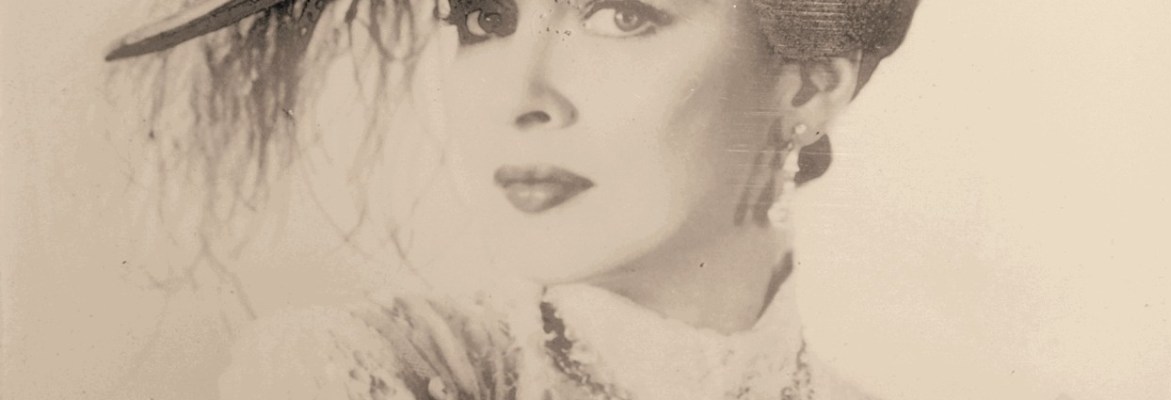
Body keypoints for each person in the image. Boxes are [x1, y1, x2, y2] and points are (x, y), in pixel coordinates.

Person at [106, 0, 918, 398]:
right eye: (486, 19)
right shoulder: (354, 373)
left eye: (619, 17)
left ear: (808, 87)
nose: (520, 96)